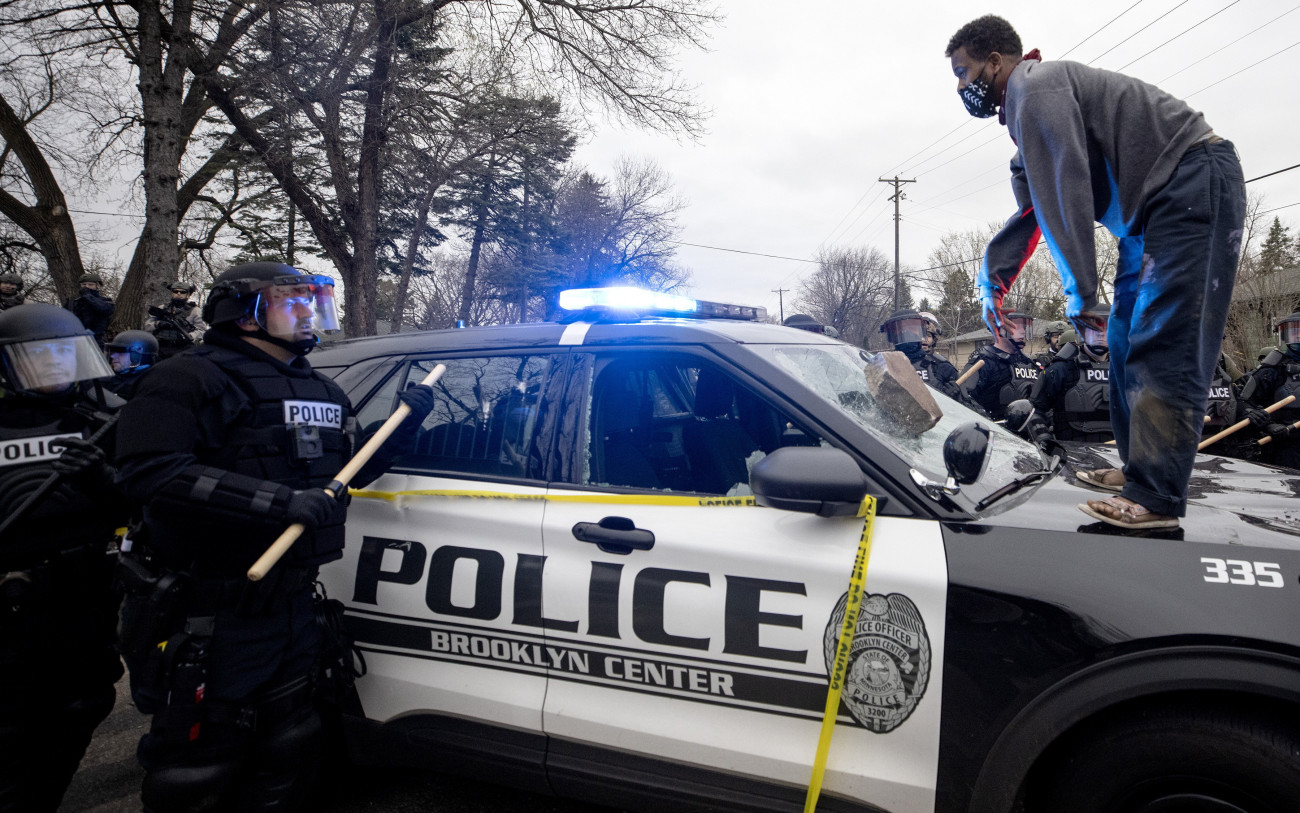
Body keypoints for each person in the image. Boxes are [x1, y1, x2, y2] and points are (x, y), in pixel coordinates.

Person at [113, 261, 436, 812]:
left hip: (291, 605)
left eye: (315, 301)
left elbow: (346, 473)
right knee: (200, 765)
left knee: (289, 746)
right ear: (244, 313)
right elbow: (148, 471)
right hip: (214, 611)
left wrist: (400, 428)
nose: (310, 311)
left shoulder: (322, 389)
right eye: (294, 301)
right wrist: (278, 505)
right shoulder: (188, 378)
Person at [946, 15, 1246, 529]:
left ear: (996, 62)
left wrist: (1081, 291)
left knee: (1165, 340)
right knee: (1127, 341)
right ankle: (1139, 474)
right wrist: (992, 280)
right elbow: (1036, 209)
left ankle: (1156, 498)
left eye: (964, 71)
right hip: (1152, 212)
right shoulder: (1026, 121)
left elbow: (1066, 184)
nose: (961, 86)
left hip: (1192, 181)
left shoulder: (1035, 86)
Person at [0, 303, 126, 811]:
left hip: (84, 592)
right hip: (10, 599)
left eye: (62, 351)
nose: (54, 363)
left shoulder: (100, 419)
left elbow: (144, 499)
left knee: (82, 705)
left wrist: (104, 480)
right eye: (38, 354)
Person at [1029, 305, 1113, 443]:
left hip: (1118, 459)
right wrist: (1048, 445)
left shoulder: (1125, 372)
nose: (1100, 334)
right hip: (1073, 459)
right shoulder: (1060, 370)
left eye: (1106, 328)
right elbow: (1034, 413)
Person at [1236, 313, 1300, 470]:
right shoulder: (1271, 370)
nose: (1298, 338)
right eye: (1294, 333)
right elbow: (1244, 403)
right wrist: (1268, 425)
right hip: (1284, 446)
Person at [959, 311, 1039, 421]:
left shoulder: (1029, 363)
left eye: (1024, 328)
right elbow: (963, 396)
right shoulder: (983, 361)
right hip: (996, 430)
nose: (1022, 332)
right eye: (1016, 328)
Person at [880, 309, 965, 401]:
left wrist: (956, 398)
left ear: (921, 331)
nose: (907, 333)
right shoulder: (882, 367)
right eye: (900, 330)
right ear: (891, 336)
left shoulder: (941, 367)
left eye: (912, 328)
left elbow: (969, 408)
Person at [145, 281, 207, 360]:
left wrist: (190, 335)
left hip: (183, 348)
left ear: (187, 294)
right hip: (161, 347)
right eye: (175, 291)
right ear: (172, 293)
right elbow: (147, 325)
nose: (178, 293)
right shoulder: (162, 308)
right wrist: (158, 324)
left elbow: (202, 330)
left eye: (182, 292)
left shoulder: (195, 310)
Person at [64, 273, 116, 348]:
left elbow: (105, 309)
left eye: (90, 284)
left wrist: (87, 296)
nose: (87, 287)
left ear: (97, 286)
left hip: (95, 341)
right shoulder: (73, 302)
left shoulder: (105, 301)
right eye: (84, 284)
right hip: (75, 341)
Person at [104, 329, 159, 397]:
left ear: (136, 356)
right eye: (113, 351)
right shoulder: (108, 378)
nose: (112, 356)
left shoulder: (149, 388)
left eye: (120, 352)